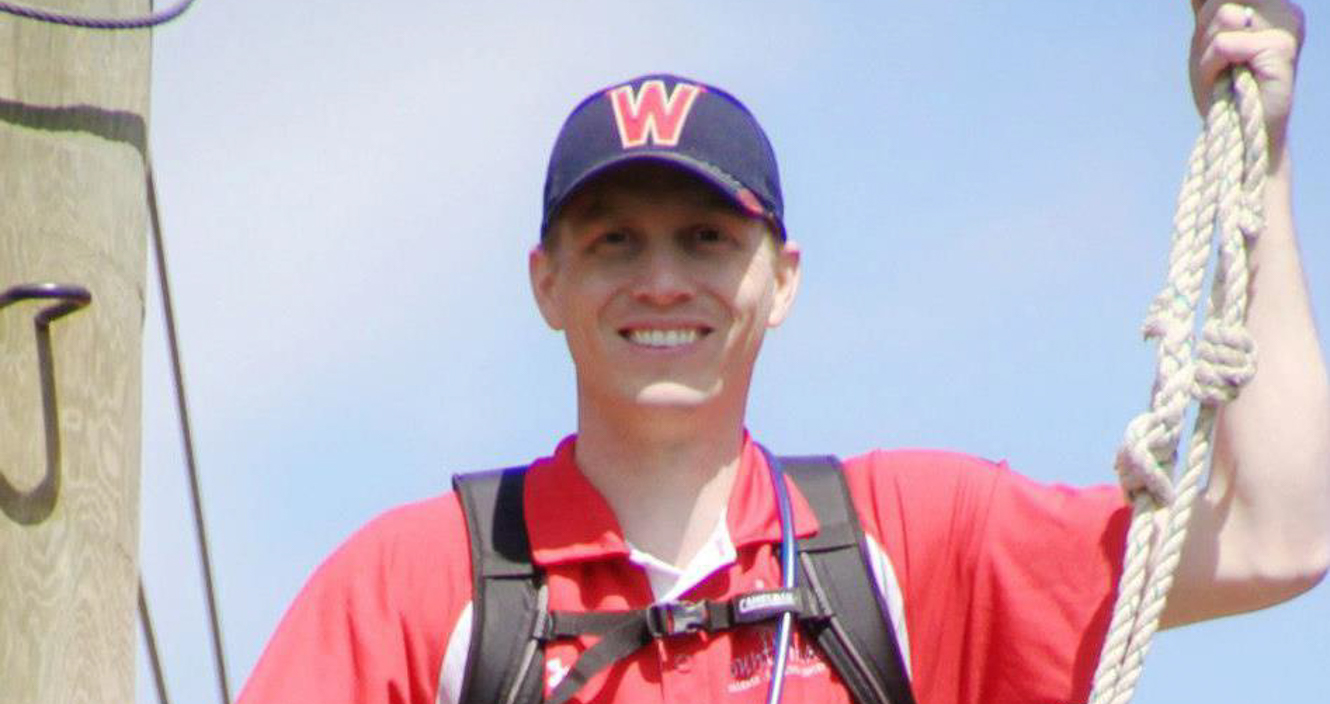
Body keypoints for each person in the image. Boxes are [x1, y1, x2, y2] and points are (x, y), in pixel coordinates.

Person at [236, 2, 1326, 702]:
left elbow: (1280, 532)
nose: (661, 279)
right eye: (614, 239)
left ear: (782, 279)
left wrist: (1261, 159)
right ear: (547, 282)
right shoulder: (413, 583)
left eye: (707, 237)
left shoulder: (904, 545)